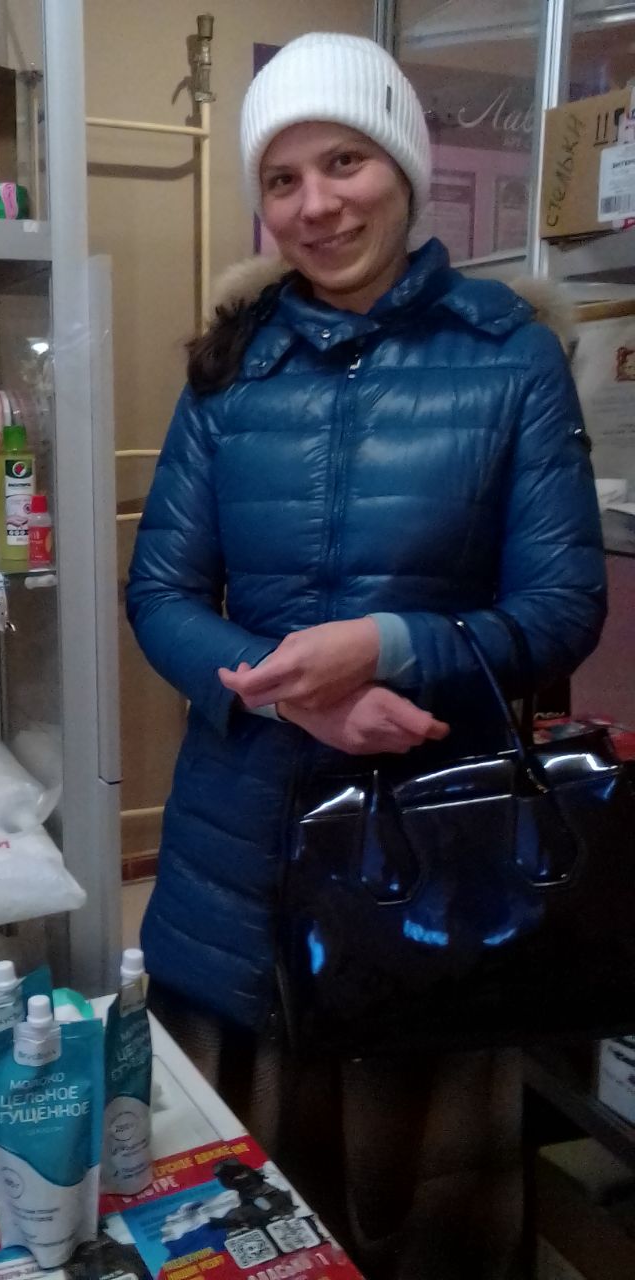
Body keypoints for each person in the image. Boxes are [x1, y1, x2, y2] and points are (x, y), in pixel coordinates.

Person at [125, 31, 606, 1280]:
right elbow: (161, 592)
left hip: (438, 859)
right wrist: (294, 701)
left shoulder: (510, 354)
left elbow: (564, 607)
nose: (316, 204)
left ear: (403, 164)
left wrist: (391, 646)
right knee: (233, 1215)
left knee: (422, 1214)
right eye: (281, 179)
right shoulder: (230, 364)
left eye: (345, 161)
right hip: (237, 858)